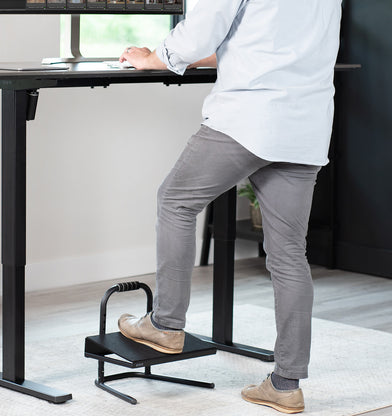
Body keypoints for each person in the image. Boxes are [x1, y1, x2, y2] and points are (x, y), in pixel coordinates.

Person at [117, 0, 342, 413]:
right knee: (290, 254)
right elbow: (272, 38)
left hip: (251, 115)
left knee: (175, 202)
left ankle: (166, 325)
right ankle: (285, 384)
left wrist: (154, 56)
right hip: (306, 121)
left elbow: (202, 28)